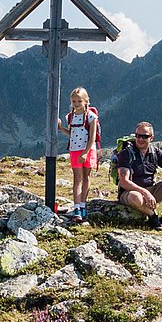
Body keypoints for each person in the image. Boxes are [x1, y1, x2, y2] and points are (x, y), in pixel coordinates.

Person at [115, 121, 162, 232]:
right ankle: (153, 216)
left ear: (151, 138)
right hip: (130, 192)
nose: (140, 139)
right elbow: (124, 182)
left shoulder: (155, 152)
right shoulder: (126, 153)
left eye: (145, 136)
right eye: (138, 136)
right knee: (136, 197)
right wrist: (145, 192)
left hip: (151, 190)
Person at [57, 87, 97, 223]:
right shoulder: (70, 116)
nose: (76, 104)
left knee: (86, 176)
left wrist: (86, 152)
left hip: (88, 150)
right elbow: (72, 133)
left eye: (79, 101)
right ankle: (77, 208)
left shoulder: (91, 117)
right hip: (75, 150)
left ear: (86, 101)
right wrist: (62, 129)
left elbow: (92, 137)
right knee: (77, 178)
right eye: (74, 101)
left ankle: (83, 205)